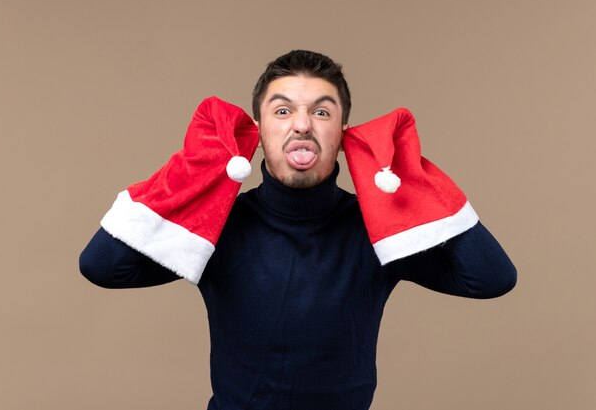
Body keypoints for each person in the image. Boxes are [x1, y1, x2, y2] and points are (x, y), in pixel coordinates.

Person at [80, 50, 517, 410]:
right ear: (259, 132)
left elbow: (491, 277)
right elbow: (102, 266)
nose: (302, 124)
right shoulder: (218, 227)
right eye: (283, 110)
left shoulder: (378, 228)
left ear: (344, 133)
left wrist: (411, 176)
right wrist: (200, 169)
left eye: (321, 111)